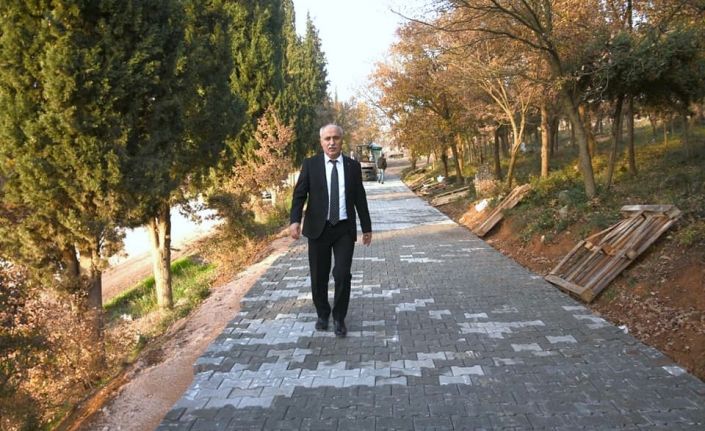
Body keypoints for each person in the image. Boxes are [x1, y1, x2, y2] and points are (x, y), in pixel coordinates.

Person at [289, 124, 372, 337]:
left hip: (344, 228)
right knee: (319, 276)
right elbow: (299, 195)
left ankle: (339, 318)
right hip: (318, 229)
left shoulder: (352, 166)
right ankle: (323, 314)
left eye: (336, 138)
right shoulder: (311, 165)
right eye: (327, 138)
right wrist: (295, 221)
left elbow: (360, 197)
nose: (332, 142)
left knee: (342, 274)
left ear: (342, 140)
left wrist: (367, 227)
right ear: (321, 142)